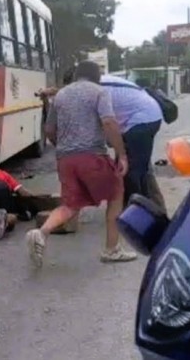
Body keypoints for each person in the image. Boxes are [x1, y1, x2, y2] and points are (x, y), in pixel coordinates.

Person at [26, 61, 136, 267]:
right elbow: (109, 122)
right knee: (116, 192)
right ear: (97, 76)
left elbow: (49, 130)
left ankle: (40, 233)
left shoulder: (60, 95)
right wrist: (121, 154)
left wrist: (65, 147)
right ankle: (112, 249)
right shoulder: (99, 92)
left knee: (71, 204)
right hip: (92, 156)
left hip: (65, 160)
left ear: (77, 75)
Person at [99, 74, 166, 209]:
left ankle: (140, 211)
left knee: (132, 172)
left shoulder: (97, 88)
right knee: (137, 167)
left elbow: (107, 122)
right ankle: (150, 206)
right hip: (142, 118)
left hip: (142, 121)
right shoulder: (100, 82)